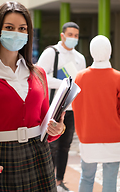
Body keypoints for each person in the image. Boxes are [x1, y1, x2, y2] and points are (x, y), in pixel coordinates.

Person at [0, 1, 66, 191]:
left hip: (40, 156)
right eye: (9, 27)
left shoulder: (39, 74)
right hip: (1, 159)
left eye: (22, 28)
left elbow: (45, 127)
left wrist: (56, 130)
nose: (16, 33)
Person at [72, 35, 120, 192]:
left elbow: (76, 106)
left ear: (91, 53)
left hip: (88, 136)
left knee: (86, 177)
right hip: (114, 137)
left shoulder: (80, 77)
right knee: (110, 180)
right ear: (110, 52)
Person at [37, 21, 86, 192]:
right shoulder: (51, 53)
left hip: (72, 108)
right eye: (70, 35)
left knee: (65, 145)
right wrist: (63, 84)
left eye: (76, 36)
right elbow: (39, 76)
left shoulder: (80, 58)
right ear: (62, 35)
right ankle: (47, 181)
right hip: (54, 106)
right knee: (51, 145)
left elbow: (81, 84)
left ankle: (59, 181)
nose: (73, 38)